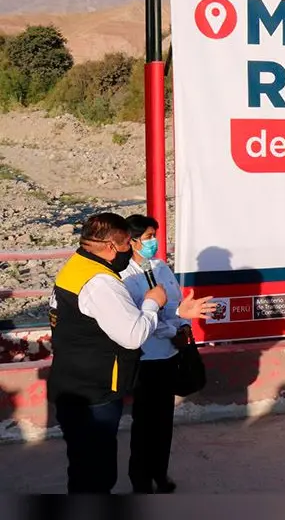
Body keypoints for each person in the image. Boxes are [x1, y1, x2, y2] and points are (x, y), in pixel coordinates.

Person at [47, 212, 216, 494]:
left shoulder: (77, 268)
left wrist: (177, 318)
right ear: (114, 246)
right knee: (96, 473)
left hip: (79, 380)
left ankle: (155, 476)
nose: (145, 245)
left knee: (88, 466)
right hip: (96, 388)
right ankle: (139, 482)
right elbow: (133, 333)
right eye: (131, 241)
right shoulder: (103, 281)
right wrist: (152, 304)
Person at [120, 215, 192, 493]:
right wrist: (170, 330)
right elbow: (138, 317)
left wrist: (183, 326)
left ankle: (160, 474)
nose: (154, 242)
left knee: (163, 422)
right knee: (144, 425)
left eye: (155, 236)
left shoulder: (161, 267)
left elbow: (176, 302)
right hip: (145, 358)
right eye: (148, 237)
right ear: (133, 241)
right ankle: (140, 480)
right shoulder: (124, 275)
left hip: (169, 355)